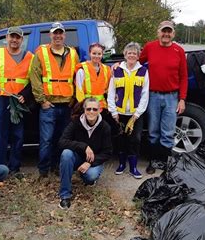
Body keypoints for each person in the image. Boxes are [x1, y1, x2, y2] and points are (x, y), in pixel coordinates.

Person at [30, 22, 80, 178]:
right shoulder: (41, 53)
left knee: (62, 139)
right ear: (50, 35)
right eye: (55, 33)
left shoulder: (72, 53)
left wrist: (74, 100)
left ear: (64, 35)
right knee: (46, 140)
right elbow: (35, 77)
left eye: (60, 33)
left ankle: (58, 167)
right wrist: (42, 100)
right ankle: (43, 171)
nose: (58, 36)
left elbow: (77, 77)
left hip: (66, 105)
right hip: (48, 105)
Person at [139, 21, 188, 174]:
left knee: (167, 131)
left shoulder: (178, 51)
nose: (166, 34)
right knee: (153, 130)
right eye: (163, 31)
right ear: (158, 32)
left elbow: (184, 77)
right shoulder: (150, 47)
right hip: (153, 96)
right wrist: (119, 66)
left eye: (169, 31)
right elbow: (136, 63)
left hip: (172, 97)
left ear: (173, 33)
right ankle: (153, 161)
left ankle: (165, 162)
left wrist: (182, 99)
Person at [0, 26, 34, 177]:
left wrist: (25, 96)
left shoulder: (30, 57)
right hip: (0, 99)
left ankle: (15, 168)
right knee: (0, 135)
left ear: (22, 39)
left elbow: (34, 82)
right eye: (11, 36)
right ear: (6, 38)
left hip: (18, 101)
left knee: (18, 136)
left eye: (17, 37)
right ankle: (0, 169)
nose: (14, 40)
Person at [57, 98, 112, 209]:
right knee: (66, 154)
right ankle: (65, 196)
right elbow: (61, 142)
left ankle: (86, 175)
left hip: (93, 160)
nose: (91, 112)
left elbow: (107, 152)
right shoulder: (76, 122)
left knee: (90, 176)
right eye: (88, 109)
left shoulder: (105, 127)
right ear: (84, 110)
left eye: (95, 109)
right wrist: (83, 146)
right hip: (77, 157)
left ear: (100, 110)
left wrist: (90, 163)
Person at [107, 42, 149, 179]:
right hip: (119, 114)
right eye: (129, 53)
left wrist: (137, 114)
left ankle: (133, 167)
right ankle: (121, 164)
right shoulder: (117, 70)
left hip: (135, 115)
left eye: (134, 53)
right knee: (120, 139)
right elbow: (111, 92)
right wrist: (113, 112)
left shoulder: (143, 71)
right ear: (125, 55)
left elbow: (145, 94)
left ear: (138, 56)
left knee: (135, 140)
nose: (131, 55)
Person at [75, 43, 111, 109]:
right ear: (89, 53)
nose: (96, 56)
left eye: (99, 54)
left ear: (102, 55)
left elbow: (109, 90)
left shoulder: (106, 69)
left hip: (102, 106)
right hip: (88, 106)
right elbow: (79, 91)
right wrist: (83, 106)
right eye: (94, 53)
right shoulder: (82, 70)